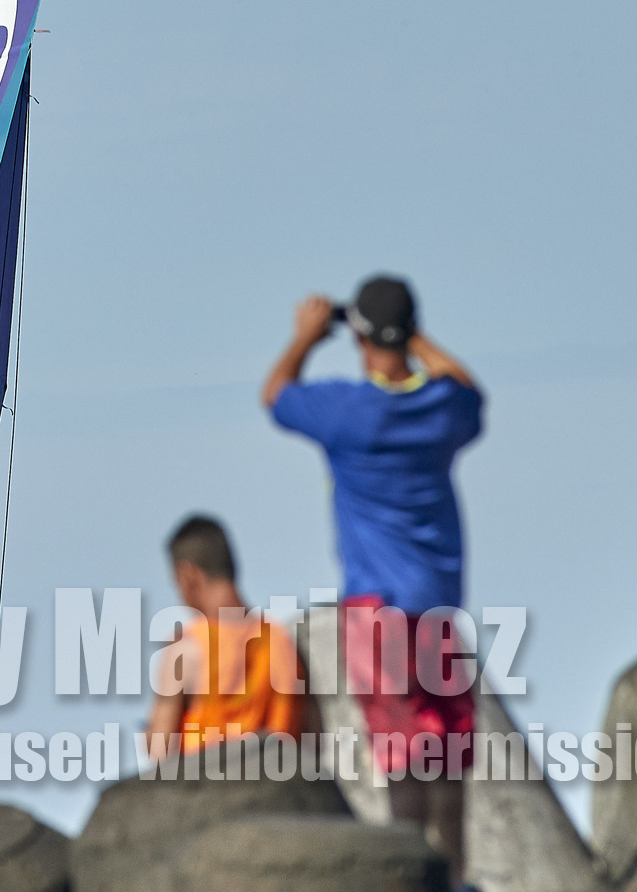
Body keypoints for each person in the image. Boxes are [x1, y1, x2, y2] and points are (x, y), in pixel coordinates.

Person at [260, 276, 483, 889]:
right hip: (438, 608)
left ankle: (415, 869)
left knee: (402, 749)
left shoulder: (346, 413)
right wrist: (414, 338)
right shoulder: (441, 409)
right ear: (408, 331)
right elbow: (470, 390)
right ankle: (458, 872)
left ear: (357, 336)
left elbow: (277, 396)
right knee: (448, 751)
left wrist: (305, 337)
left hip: (376, 610)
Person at [144, 515, 307, 758]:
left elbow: (160, 753)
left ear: (188, 575)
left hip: (207, 791)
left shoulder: (188, 648)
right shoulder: (281, 642)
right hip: (280, 788)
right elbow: (312, 737)